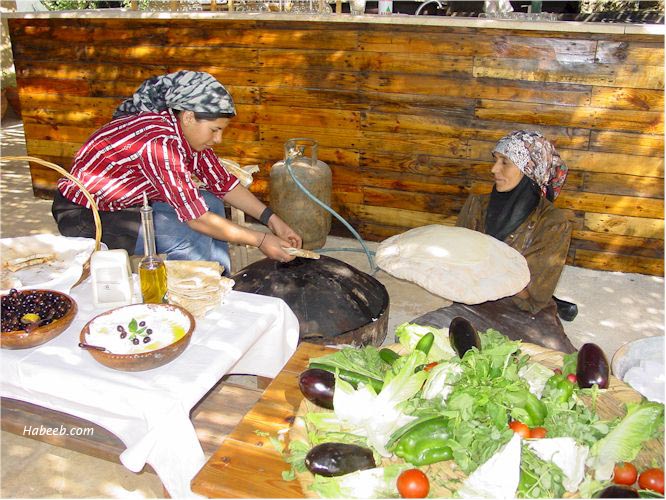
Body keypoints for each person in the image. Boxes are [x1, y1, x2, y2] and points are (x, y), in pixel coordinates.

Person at [52, 71, 302, 275]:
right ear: (190, 117)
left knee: (211, 202)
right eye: (215, 130)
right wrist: (260, 240)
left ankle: (217, 282)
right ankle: (192, 299)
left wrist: (272, 220)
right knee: (185, 233)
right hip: (85, 214)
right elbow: (196, 219)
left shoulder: (186, 134)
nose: (218, 139)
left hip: (125, 204)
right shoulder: (159, 142)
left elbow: (223, 183)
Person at [413, 130, 576, 353]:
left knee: (556, 363)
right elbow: (456, 263)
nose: (494, 169)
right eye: (495, 160)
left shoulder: (552, 224)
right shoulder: (477, 206)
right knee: (417, 336)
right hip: (474, 304)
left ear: (529, 171)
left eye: (505, 163)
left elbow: (534, 298)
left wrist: (486, 264)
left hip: (524, 315)